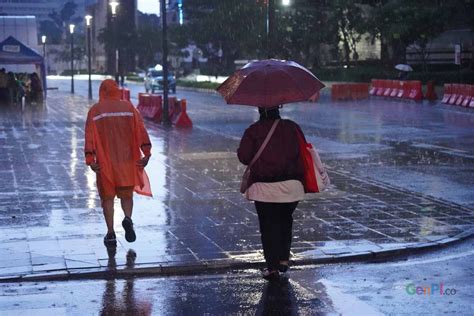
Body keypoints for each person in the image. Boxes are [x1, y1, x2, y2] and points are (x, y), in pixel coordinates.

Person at [237, 106, 305, 281]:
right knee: (285, 220)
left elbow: (244, 157)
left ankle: (272, 267)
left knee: (268, 226)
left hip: (264, 188)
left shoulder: (254, 131)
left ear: (260, 111)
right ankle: (283, 258)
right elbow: (303, 151)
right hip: (291, 186)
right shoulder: (292, 128)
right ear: (279, 109)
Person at [84, 79, 152, 247]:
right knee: (126, 196)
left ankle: (111, 233)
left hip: (105, 164)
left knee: (107, 198)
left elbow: (89, 136)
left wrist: (90, 159)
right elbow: (141, 130)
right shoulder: (129, 109)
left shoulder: (95, 111)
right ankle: (128, 219)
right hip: (127, 161)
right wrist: (147, 152)